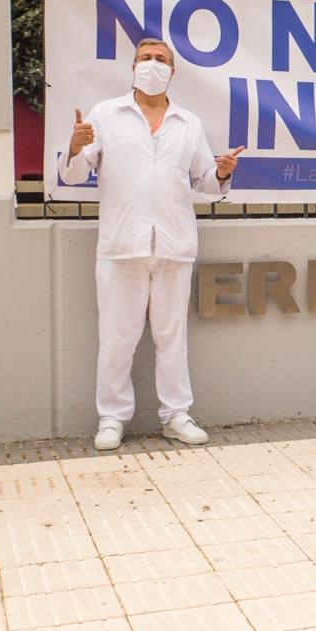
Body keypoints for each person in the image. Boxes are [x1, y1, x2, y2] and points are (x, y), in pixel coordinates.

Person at [59, 38, 242, 451]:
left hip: (174, 246)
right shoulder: (107, 115)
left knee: (171, 336)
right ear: (133, 67)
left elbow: (204, 183)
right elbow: (73, 176)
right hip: (122, 245)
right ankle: (111, 417)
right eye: (146, 59)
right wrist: (74, 146)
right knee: (117, 336)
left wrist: (223, 172)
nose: (153, 65)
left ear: (173, 72)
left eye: (162, 60)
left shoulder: (187, 123)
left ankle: (175, 415)